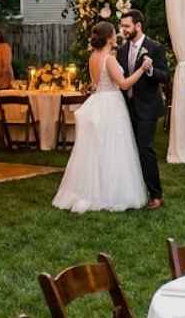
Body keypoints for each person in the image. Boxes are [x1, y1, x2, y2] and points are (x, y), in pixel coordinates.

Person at [52, 21, 149, 212]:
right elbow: (124, 84)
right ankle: (111, 193)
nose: (116, 36)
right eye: (114, 33)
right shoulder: (109, 59)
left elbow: (95, 83)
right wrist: (142, 69)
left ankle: (89, 191)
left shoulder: (93, 57)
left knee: (94, 149)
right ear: (108, 38)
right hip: (111, 104)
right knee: (113, 148)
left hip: (97, 101)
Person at [116, 9, 169, 209]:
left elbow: (165, 76)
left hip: (147, 107)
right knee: (130, 150)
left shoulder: (155, 47)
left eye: (127, 26)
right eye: (122, 26)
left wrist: (150, 70)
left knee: (145, 149)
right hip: (126, 108)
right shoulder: (121, 50)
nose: (124, 30)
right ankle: (135, 191)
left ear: (138, 26)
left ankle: (156, 195)